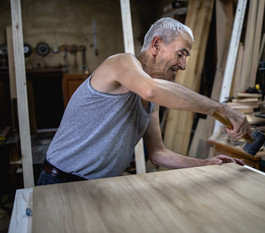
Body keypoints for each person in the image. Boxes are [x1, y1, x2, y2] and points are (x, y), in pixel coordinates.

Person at [37, 17, 252, 185]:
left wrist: (206, 163)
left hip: (97, 185)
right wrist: (222, 109)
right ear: (156, 45)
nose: (184, 65)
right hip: (60, 180)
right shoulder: (121, 63)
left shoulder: (151, 99)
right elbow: (151, 90)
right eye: (181, 54)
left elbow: (158, 154)